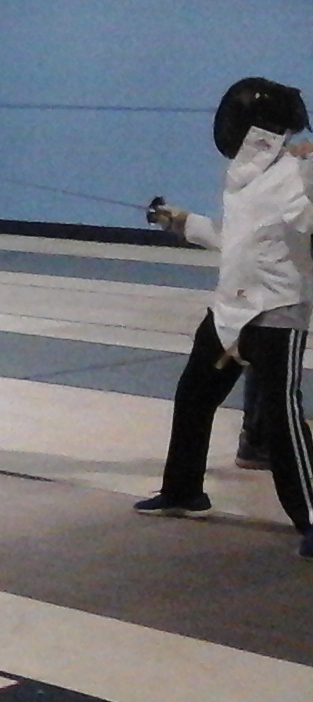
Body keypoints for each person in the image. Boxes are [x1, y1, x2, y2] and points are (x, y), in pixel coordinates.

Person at [135, 76, 313, 555]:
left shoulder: (300, 173)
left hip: (276, 312)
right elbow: (235, 238)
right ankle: (183, 491)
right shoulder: (244, 179)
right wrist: (182, 222)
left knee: (282, 417)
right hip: (229, 313)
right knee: (194, 395)